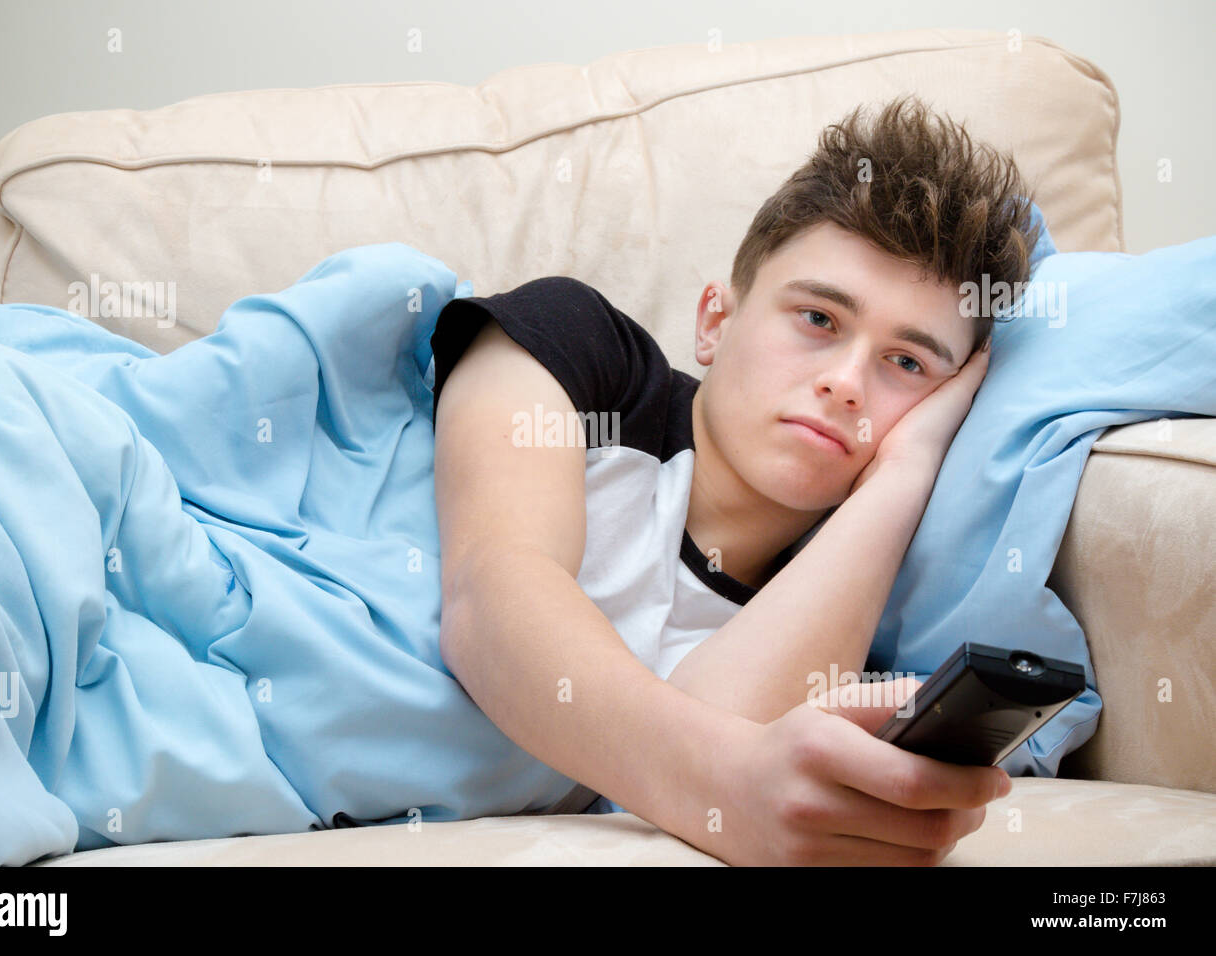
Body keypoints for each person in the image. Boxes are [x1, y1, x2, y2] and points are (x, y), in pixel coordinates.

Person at [428, 94, 1041, 866]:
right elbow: (493, 592)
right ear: (715, 322)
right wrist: (728, 779)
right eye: (818, 319)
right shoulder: (584, 349)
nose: (848, 383)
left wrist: (903, 475)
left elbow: (672, 793)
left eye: (908, 363)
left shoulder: (834, 599)